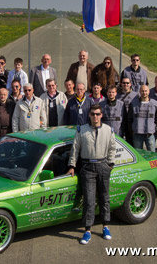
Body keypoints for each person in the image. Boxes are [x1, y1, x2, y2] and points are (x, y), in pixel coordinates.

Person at [67, 104, 116, 245]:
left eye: (98, 114)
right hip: (87, 167)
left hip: (103, 166)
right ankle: (87, 230)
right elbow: (75, 149)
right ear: (89, 115)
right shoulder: (81, 130)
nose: (95, 116)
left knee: (104, 197)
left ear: (101, 115)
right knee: (89, 199)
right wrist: (72, 165)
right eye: (93, 114)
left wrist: (110, 164)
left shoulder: (108, 130)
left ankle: (105, 226)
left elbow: (112, 147)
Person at [127, 85, 157, 152]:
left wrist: (155, 129)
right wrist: (132, 129)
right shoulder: (133, 103)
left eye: (146, 91)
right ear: (139, 92)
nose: (144, 92)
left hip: (150, 134)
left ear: (149, 91)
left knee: (152, 155)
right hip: (137, 134)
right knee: (139, 154)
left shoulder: (154, 103)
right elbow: (129, 118)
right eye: (142, 91)